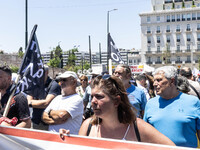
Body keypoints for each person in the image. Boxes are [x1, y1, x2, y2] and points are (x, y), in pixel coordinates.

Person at [60, 75, 175, 146]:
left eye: (99, 97)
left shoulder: (138, 127)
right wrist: (68, 141)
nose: (93, 101)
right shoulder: (88, 126)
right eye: (92, 97)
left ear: (116, 101)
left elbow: (172, 148)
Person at [143, 66, 200, 148]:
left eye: (159, 80)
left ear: (172, 81)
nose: (155, 84)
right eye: (154, 80)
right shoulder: (150, 104)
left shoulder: (193, 102)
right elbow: (146, 136)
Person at [27, 65, 61, 130]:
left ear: (46, 72)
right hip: (35, 122)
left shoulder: (53, 85)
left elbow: (46, 103)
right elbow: (28, 99)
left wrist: (31, 103)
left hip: (48, 123)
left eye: (41, 72)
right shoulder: (35, 84)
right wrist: (35, 103)